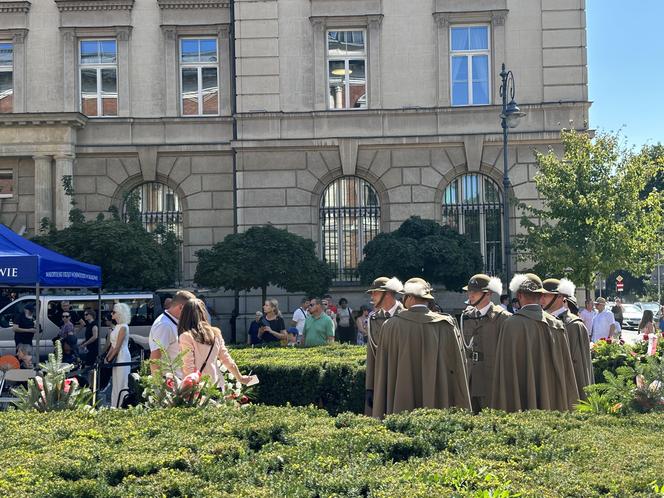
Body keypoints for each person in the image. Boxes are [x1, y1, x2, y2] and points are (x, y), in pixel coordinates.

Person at [372, 278, 471, 418]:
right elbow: (457, 367)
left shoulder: (391, 326)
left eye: (404, 296)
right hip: (438, 398)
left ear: (410, 297)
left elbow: (383, 372)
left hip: (402, 398)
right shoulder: (446, 325)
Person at [491, 273, 579, 412]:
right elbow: (566, 371)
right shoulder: (556, 324)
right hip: (551, 398)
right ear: (541, 295)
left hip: (520, 399)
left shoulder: (510, 325)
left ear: (519, 295)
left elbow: (505, 370)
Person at [460, 274, 511, 412]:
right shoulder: (467, 316)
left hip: (492, 378)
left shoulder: (503, 318)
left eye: (475, 292)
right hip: (470, 376)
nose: (470, 295)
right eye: (469, 291)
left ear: (488, 293)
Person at [178, 298, 255, 387]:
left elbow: (188, 367)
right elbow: (226, 358)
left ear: (184, 315)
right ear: (204, 314)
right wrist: (240, 378)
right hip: (216, 384)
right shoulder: (215, 333)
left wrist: (188, 388)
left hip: (197, 387)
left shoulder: (186, 336)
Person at [541, 278, 593, 400]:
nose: (541, 299)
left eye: (546, 296)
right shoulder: (540, 322)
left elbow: (579, 369)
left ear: (560, 297)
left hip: (567, 392)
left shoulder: (574, 325)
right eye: (540, 295)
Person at [365, 277, 405, 415]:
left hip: (402, 378)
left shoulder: (406, 316)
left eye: (375, 293)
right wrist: (369, 387)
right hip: (380, 379)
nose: (372, 296)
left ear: (387, 294)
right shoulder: (374, 318)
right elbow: (371, 354)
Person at [148, 290, 195, 374]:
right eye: (191, 311)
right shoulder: (164, 326)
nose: (192, 314)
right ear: (181, 307)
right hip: (171, 383)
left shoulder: (170, 322)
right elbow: (155, 358)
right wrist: (159, 385)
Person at [105, 303, 132, 408]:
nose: (112, 313)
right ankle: (115, 404)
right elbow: (113, 345)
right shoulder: (117, 326)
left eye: (114, 312)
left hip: (122, 355)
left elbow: (118, 346)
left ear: (120, 314)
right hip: (117, 355)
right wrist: (107, 357)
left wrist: (109, 359)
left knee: (122, 380)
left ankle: (122, 405)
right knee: (115, 381)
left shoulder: (124, 327)